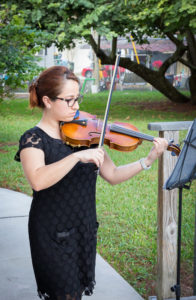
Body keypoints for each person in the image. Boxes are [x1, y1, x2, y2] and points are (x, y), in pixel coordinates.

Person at [15, 66, 168, 300]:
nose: (76, 106)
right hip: (52, 232)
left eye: (78, 98)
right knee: (65, 294)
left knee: (76, 292)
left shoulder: (85, 133)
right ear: (47, 100)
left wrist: (147, 160)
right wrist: (76, 156)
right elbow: (37, 180)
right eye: (69, 100)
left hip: (83, 227)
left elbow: (114, 174)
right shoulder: (33, 138)